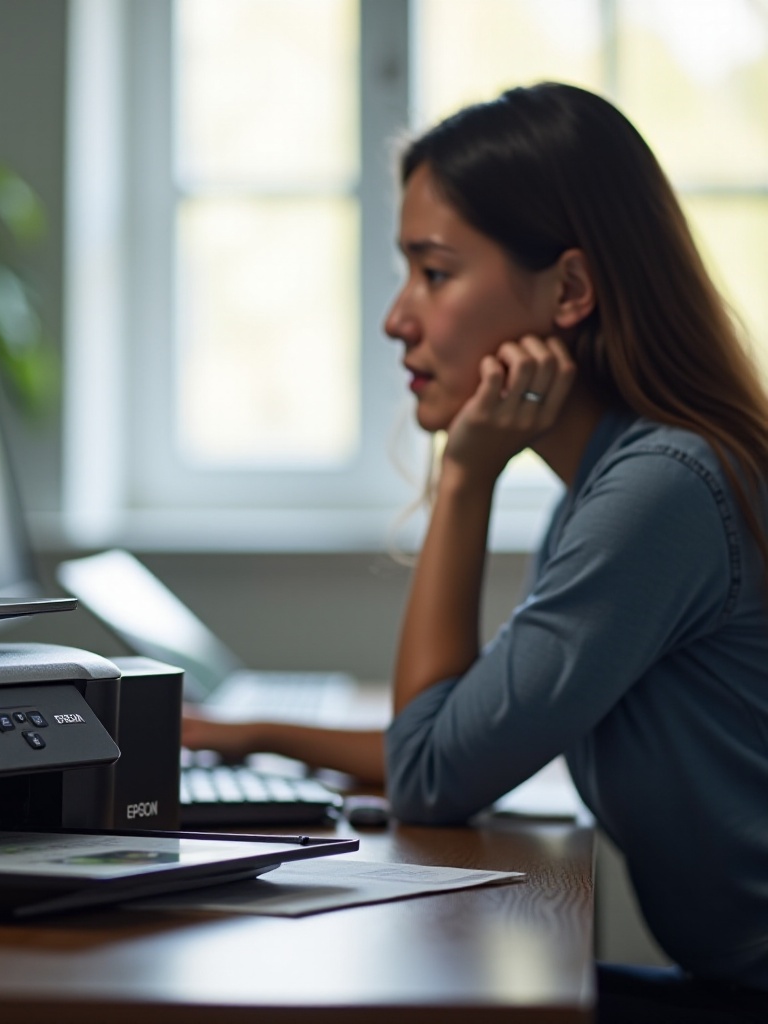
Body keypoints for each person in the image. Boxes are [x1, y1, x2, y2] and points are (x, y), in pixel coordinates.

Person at [183, 81, 768, 1022]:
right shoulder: (623, 478)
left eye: (435, 271)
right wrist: (248, 736)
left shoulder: (659, 494)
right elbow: (462, 734)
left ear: (570, 290)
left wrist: (464, 478)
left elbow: (431, 775)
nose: (397, 318)